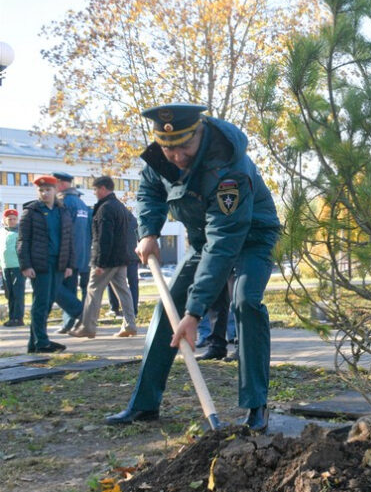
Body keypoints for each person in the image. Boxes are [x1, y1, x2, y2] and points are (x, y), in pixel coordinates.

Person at [105, 103, 281, 431]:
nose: (177, 156)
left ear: (200, 131)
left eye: (184, 145)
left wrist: (195, 313)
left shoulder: (228, 169)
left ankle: (257, 405)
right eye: (169, 147)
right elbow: (149, 192)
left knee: (245, 301)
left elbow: (225, 244)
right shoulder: (164, 157)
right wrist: (149, 232)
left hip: (252, 237)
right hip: (204, 241)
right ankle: (144, 404)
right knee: (167, 308)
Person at [70, 176, 138, 339]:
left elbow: (103, 237)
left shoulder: (105, 208)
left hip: (107, 259)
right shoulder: (120, 206)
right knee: (123, 289)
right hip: (121, 257)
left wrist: (99, 262)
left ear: (103, 188)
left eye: (95, 189)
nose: (94, 192)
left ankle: (88, 326)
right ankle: (130, 324)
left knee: (93, 289)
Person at [17, 175, 77, 353]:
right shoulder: (31, 211)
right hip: (39, 265)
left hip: (58, 264)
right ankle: (42, 343)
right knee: (41, 302)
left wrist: (69, 265)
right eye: (41, 190)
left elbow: (69, 240)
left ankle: (34, 343)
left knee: (48, 302)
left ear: (55, 190)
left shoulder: (62, 211)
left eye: (48, 190)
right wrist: (25, 265)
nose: (44, 193)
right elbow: (23, 241)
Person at [53, 172, 92, 334]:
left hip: (66, 255)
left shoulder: (63, 203)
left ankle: (79, 313)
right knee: (69, 289)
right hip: (82, 255)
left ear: (61, 184)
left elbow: (61, 230)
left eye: (54, 184)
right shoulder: (82, 204)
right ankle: (69, 323)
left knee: (54, 288)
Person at [106, 207, 140, 319]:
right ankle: (134, 310)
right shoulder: (134, 220)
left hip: (119, 257)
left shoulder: (115, 220)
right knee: (133, 284)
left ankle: (114, 308)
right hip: (133, 257)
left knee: (112, 282)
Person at [1, 209, 25, 327]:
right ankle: (12, 318)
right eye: (9, 219)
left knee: (18, 293)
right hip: (5, 267)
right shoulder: (2, 232)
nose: (12, 221)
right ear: (4, 220)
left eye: (14, 219)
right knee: (9, 294)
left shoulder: (20, 232)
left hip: (18, 267)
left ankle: (18, 318)